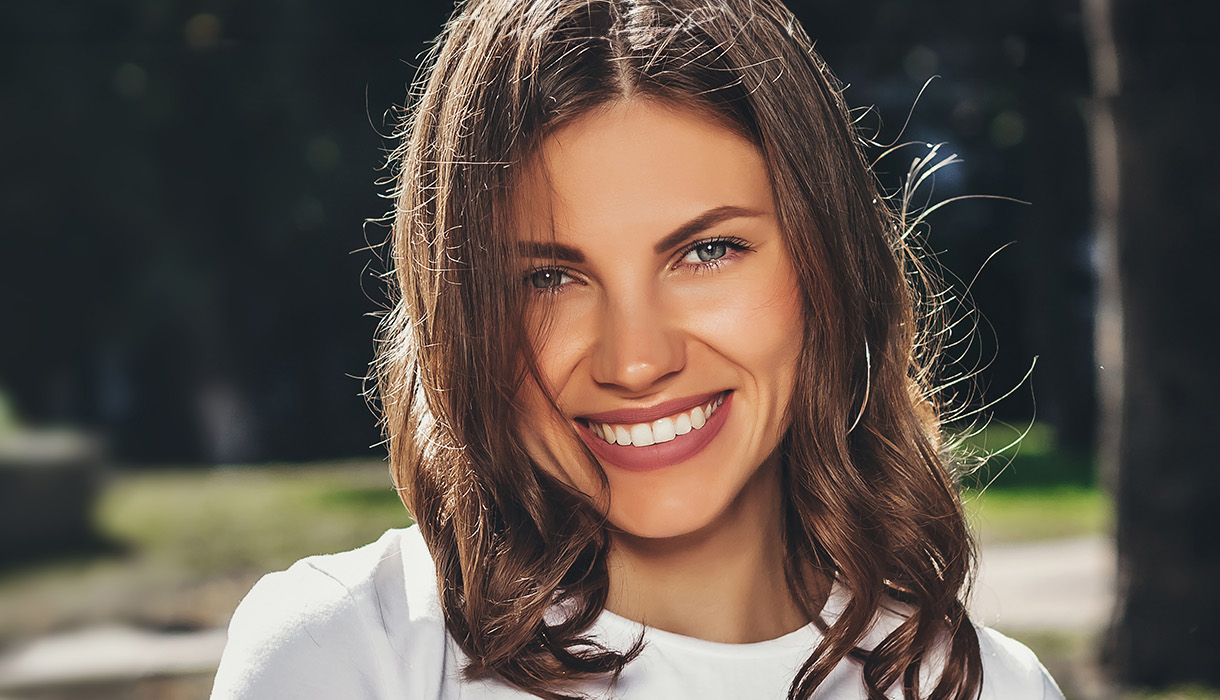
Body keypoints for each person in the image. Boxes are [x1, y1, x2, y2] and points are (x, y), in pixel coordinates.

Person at [211, 0, 1067, 698]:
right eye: (548, 277)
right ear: (467, 314)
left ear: (829, 267)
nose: (635, 360)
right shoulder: (345, 655)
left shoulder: (988, 687)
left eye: (706, 252)